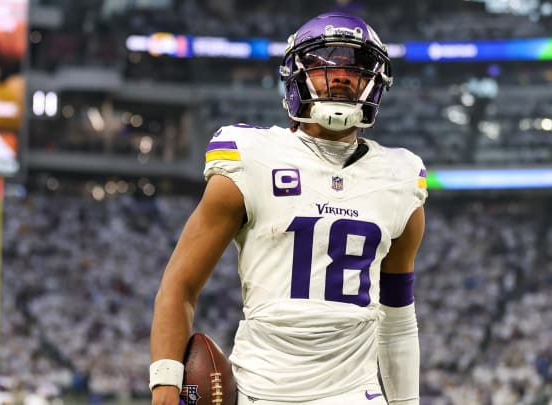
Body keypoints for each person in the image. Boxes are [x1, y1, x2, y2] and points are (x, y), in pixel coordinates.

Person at [149, 12, 427, 405]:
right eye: (325, 62)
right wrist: (164, 385)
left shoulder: (400, 175)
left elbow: (397, 317)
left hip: (353, 393)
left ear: (375, 82)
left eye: (357, 67)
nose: (343, 75)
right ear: (297, 74)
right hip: (261, 390)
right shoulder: (251, 157)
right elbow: (179, 286)